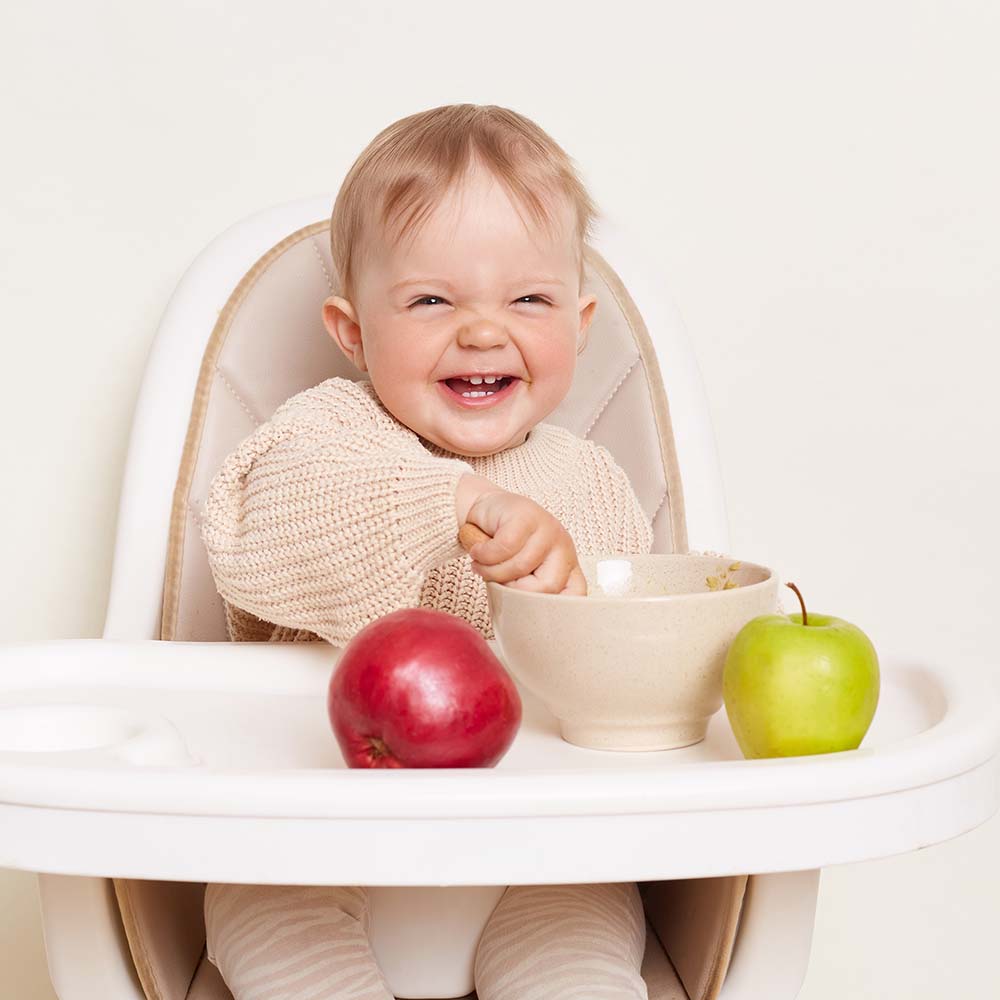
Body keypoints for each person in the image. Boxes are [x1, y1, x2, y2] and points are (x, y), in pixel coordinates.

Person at [200, 103, 652, 1000]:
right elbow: (262, 535)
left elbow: (633, 685)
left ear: (582, 322)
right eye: (432, 300)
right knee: (262, 909)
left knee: (586, 929)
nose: (483, 331)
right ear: (354, 332)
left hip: (540, 837)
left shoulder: (593, 482)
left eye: (529, 299)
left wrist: (588, 624)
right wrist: (453, 501)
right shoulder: (324, 434)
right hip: (320, 825)